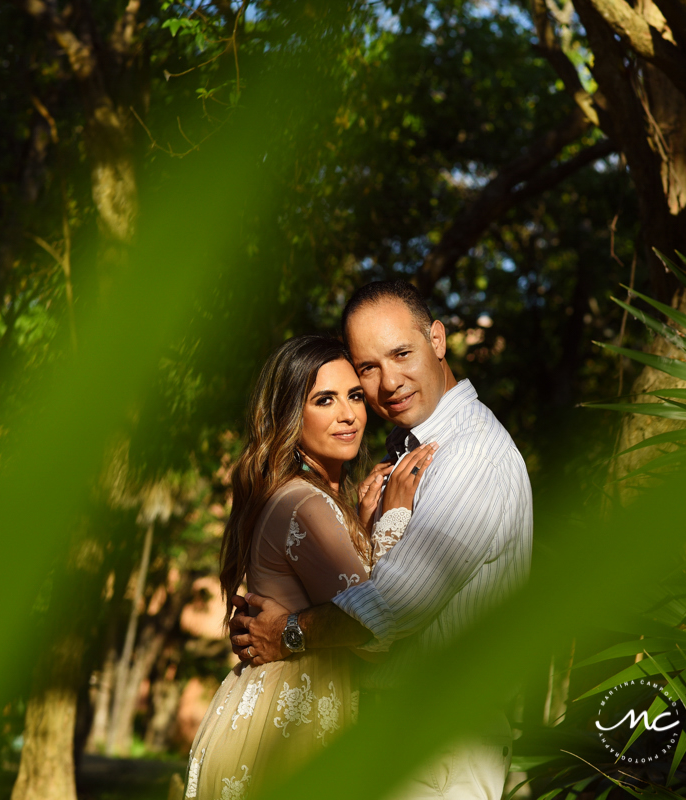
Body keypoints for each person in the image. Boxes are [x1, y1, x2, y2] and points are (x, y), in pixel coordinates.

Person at [227, 280, 533, 800]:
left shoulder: (470, 454)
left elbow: (395, 604)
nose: (388, 381)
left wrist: (288, 633)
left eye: (401, 354)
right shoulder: (407, 445)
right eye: (368, 367)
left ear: (437, 340)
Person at [182, 334, 436, 799]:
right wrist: (395, 517)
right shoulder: (305, 504)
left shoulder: (306, 497)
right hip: (291, 729)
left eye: (355, 396)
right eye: (324, 400)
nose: (348, 414)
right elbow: (375, 629)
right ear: (290, 416)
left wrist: (359, 525)